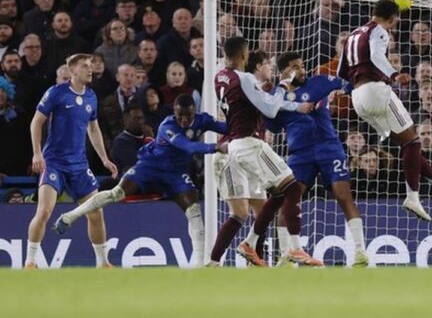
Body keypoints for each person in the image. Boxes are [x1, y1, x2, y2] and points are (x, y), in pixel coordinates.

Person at [53, 94, 225, 268]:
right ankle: (70, 216)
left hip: (175, 172)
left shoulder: (203, 120)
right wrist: (215, 147)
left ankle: (198, 264)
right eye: (180, 116)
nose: (184, 120)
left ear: (194, 111)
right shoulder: (168, 125)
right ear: (175, 112)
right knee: (117, 193)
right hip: (151, 165)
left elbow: (226, 127)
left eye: (188, 116)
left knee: (193, 209)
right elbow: (188, 146)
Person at [338, 0, 432, 221]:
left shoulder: (352, 35)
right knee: (414, 142)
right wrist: (395, 75)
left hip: (357, 99)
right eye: (396, 18)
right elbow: (377, 56)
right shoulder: (379, 31)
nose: (396, 22)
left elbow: (343, 70)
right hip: (376, 91)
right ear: (392, 17)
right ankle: (413, 197)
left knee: (407, 144)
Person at [211, 38, 320, 267]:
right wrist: (282, 85)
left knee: (278, 194)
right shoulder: (245, 78)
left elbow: (261, 102)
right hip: (250, 143)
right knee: (292, 187)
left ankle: (250, 244)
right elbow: (270, 109)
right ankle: (295, 249)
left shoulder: (220, 77)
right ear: (243, 54)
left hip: (239, 145)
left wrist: (291, 105)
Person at [262, 52, 369, 267]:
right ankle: (286, 256)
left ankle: (360, 252)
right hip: (300, 154)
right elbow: (273, 125)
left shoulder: (319, 82)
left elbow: (347, 84)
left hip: (329, 148)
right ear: (283, 72)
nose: (302, 70)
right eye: (295, 67)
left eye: (302, 66)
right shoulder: (276, 96)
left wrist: (347, 93)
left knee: (343, 195)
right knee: (287, 202)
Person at [24, 54, 118, 269]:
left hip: (79, 166)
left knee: (95, 212)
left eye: (91, 66)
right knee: (45, 211)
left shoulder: (91, 97)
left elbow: (93, 128)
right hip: (54, 162)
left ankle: (102, 263)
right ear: (73, 71)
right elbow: (36, 123)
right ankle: (30, 261)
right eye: (85, 66)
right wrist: (37, 153)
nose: (90, 69)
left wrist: (104, 158)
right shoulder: (56, 93)